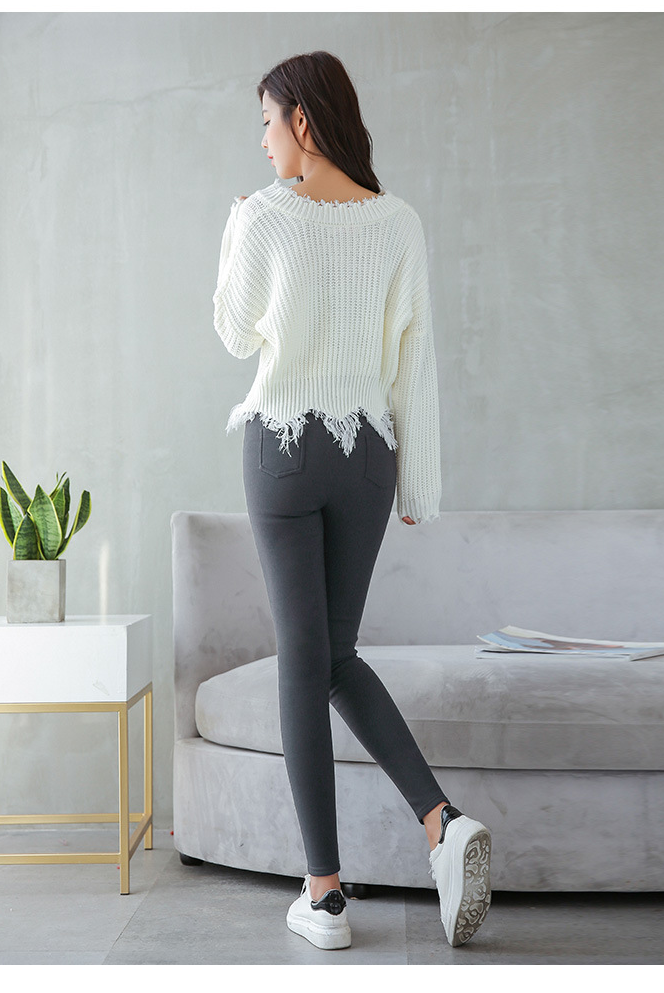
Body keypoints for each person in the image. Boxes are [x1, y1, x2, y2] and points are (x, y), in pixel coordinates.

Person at [212, 50, 492, 951]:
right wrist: (420, 481)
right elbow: (417, 358)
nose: (263, 145)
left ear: (300, 119)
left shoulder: (265, 215)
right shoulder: (399, 221)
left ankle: (325, 896)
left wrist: (236, 228)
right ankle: (442, 821)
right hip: (368, 456)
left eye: (266, 123)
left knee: (304, 661)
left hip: (285, 450)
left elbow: (233, 332)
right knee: (334, 655)